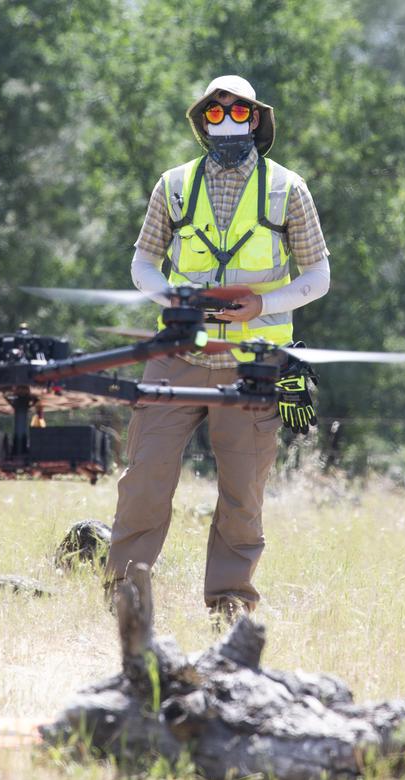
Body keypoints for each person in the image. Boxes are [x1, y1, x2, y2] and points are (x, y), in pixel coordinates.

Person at [105, 75, 331, 621]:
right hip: (177, 354)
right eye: (215, 114)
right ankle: (125, 601)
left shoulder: (288, 189)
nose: (226, 123)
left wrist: (264, 305)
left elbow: (318, 275)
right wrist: (171, 297)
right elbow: (142, 263)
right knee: (145, 482)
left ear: (256, 121)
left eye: (237, 114)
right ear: (203, 122)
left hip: (254, 365)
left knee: (241, 496)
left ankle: (229, 607)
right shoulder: (174, 185)